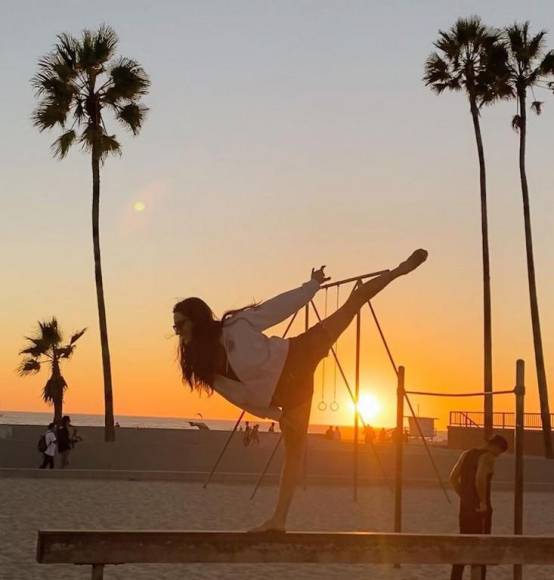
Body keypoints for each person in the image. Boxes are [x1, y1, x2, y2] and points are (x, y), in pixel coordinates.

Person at [173, 249, 428, 531]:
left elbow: (278, 307)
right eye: (175, 326)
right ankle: (278, 521)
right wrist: (273, 414)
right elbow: (239, 398)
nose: (177, 331)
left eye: (180, 324)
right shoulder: (204, 368)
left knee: (352, 303)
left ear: (197, 319)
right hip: (289, 395)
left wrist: (313, 285)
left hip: (298, 353)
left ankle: (399, 270)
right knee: (294, 454)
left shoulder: (237, 325)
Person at [449, 434, 509, 580]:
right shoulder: (488, 457)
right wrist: (482, 502)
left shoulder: (466, 454)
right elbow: (480, 478)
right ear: (496, 446)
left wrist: (464, 497)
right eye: (499, 452)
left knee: (464, 544)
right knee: (481, 548)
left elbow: (452, 478)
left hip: (465, 509)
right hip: (480, 510)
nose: (498, 456)